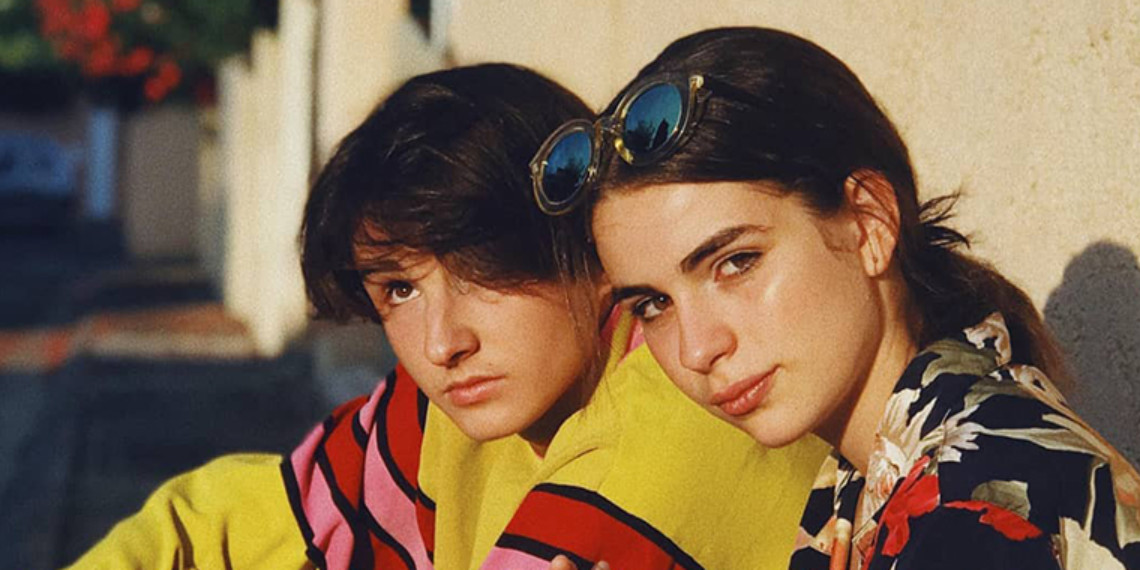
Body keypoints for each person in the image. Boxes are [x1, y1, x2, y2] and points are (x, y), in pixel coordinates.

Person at [69, 63, 829, 569]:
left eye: (481, 272)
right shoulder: (457, 409)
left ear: (594, 253)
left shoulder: (666, 432)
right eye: (400, 290)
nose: (442, 343)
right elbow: (230, 520)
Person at [532, 27, 1140, 569]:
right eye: (652, 304)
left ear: (869, 223)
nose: (696, 349)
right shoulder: (877, 481)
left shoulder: (973, 505)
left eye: (736, 262)